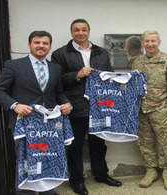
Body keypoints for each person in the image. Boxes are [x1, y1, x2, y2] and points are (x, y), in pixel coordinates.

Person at [0, 31, 72, 195]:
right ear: (29, 45)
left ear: (49, 46)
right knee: (24, 163)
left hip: (49, 127)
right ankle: (24, 192)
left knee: (49, 159)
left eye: (45, 43)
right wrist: (15, 105)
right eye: (37, 42)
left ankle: (48, 191)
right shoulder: (14, 65)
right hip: (24, 125)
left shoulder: (55, 68)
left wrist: (66, 103)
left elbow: (58, 93)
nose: (41, 46)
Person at [51, 19, 122, 195]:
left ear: (89, 32)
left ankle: (101, 174)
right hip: (75, 106)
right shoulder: (60, 54)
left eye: (84, 30)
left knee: (99, 144)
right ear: (71, 32)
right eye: (76, 30)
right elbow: (56, 80)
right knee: (75, 146)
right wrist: (77, 74)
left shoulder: (101, 52)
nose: (80, 33)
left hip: (99, 106)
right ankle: (76, 180)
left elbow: (109, 74)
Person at [132, 31, 167, 191]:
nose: (150, 44)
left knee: (165, 142)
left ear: (159, 42)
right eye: (147, 41)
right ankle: (151, 170)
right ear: (142, 43)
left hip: (161, 109)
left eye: (153, 41)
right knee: (145, 142)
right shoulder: (137, 61)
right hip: (142, 109)